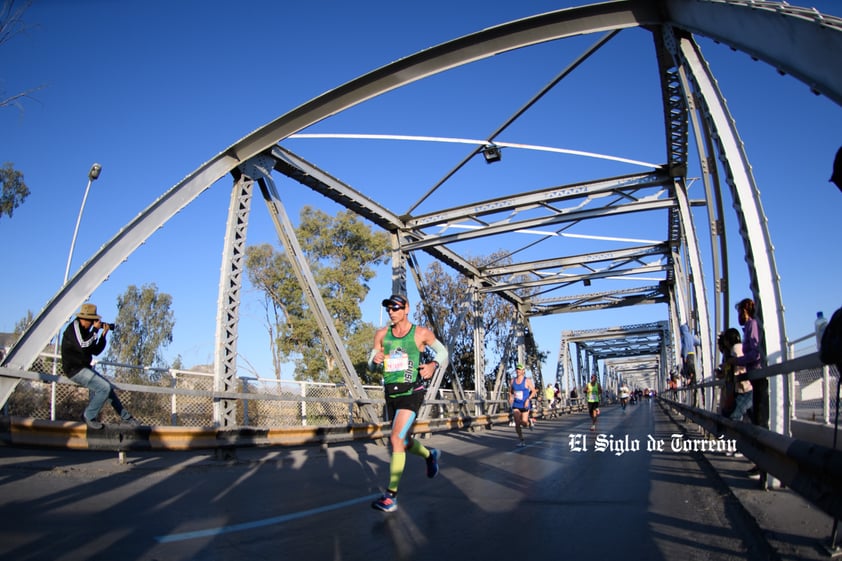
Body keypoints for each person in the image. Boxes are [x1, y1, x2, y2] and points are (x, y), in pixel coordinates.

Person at [368, 293, 448, 513]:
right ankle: (430, 455)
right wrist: (374, 361)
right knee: (403, 441)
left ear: (407, 309)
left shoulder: (420, 333)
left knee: (395, 438)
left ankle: (390, 496)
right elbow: (372, 365)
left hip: (413, 391)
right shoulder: (382, 334)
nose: (392, 312)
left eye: (395, 308)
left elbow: (443, 352)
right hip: (391, 394)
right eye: (389, 309)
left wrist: (432, 364)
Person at [60, 303, 140, 430]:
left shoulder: (87, 331)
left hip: (84, 368)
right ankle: (88, 415)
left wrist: (103, 335)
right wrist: (96, 330)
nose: (92, 324)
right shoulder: (74, 328)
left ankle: (127, 418)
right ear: (84, 319)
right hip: (74, 369)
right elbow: (83, 344)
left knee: (108, 390)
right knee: (104, 388)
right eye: (91, 322)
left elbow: (95, 350)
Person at [728, 298, 765, 479]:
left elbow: (755, 353)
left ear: (745, 311)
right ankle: (760, 463)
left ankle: (762, 464)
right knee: (755, 421)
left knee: (758, 422)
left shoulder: (752, 325)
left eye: (739, 312)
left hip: (757, 377)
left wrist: (737, 361)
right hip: (754, 378)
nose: (738, 316)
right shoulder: (750, 326)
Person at [508, 363, 535, 446]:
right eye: (517, 369)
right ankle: (521, 440)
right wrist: (511, 397)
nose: (518, 371)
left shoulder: (527, 380)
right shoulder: (513, 381)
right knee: (517, 422)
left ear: (523, 371)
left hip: (525, 404)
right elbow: (510, 391)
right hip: (516, 404)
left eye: (520, 369)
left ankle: (529, 422)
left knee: (524, 423)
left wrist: (528, 399)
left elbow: (533, 391)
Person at [680, 323, 700, 406]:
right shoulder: (690, 335)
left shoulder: (684, 336)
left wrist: (684, 356)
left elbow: (684, 346)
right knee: (692, 367)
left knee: (686, 369)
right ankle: (693, 380)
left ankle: (689, 379)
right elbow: (698, 342)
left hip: (687, 354)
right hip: (692, 353)